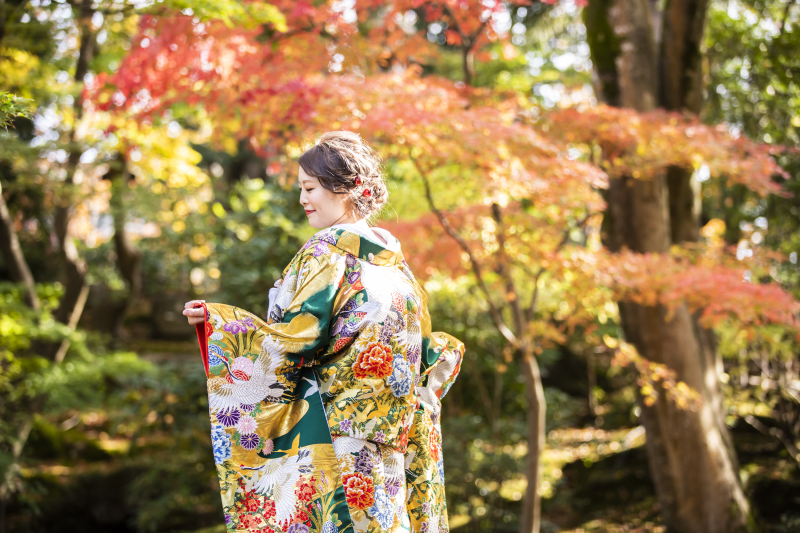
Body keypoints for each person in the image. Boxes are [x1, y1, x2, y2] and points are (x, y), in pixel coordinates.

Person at [182, 131, 464, 533]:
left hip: (336, 438)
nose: (302, 199)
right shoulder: (396, 266)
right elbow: (421, 349)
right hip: (392, 440)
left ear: (348, 189)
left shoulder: (326, 252)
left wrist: (220, 326)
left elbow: (293, 339)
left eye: (310, 187)